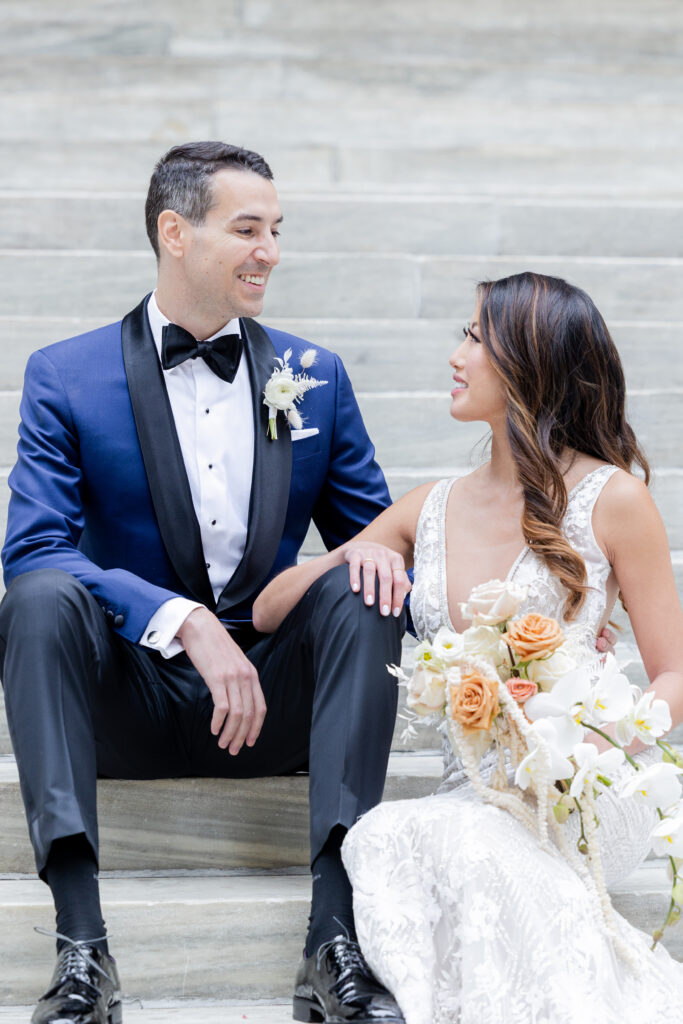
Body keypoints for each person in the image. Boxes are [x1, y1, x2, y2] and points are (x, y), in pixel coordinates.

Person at [0, 141, 410, 1024]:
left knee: (368, 581)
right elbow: (34, 548)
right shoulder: (65, 376)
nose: (269, 250)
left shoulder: (315, 377)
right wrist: (182, 619)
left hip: (275, 703)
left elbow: (377, 539)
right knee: (36, 598)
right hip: (128, 701)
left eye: (276, 231)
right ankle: (81, 947)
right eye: (247, 229)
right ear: (174, 231)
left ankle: (333, 939)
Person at [253, 271, 683, 1023]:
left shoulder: (611, 498)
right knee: (388, 834)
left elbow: (674, 673)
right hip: (473, 792)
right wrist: (353, 558)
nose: (456, 354)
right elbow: (266, 610)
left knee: (460, 843)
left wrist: (591, 746)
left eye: (475, 337)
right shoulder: (430, 505)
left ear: (528, 361)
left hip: (581, 789)